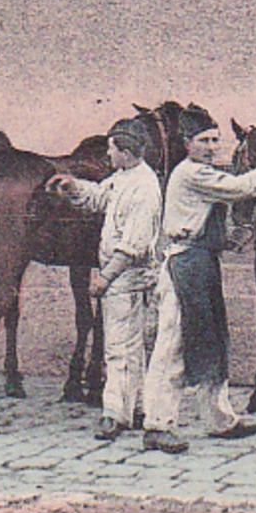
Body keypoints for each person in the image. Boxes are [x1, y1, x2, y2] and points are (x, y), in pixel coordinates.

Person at [141, 107, 256, 453]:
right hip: (184, 265)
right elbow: (245, 186)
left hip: (202, 261)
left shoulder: (202, 172)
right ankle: (157, 425)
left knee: (213, 342)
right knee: (173, 345)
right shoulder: (189, 174)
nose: (212, 146)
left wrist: (225, 238)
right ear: (187, 143)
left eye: (216, 140)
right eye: (203, 141)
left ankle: (220, 420)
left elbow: (205, 217)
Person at [47, 117, 163, 442]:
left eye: (111, 150)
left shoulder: (145, 189)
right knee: (132, 345)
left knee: (118, 346)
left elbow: (134, 245)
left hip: (128, 277)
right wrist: (73, 187)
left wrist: (105, 278)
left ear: (125, 151)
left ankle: (114, 414)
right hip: (123, 276)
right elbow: (100, 196)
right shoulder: (124, 177)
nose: (107, 156)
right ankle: (136, 408)